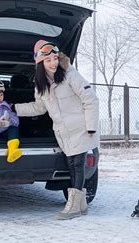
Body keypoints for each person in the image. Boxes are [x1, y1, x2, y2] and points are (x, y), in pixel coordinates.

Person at [14, 40, 99, 220]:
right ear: (40, 63)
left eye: (55, 58)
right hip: (63, 132)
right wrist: (15, 109)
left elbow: (90, 99)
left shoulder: (70, 75)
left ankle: (74, 206)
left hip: (82, 128)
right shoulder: (41, 85)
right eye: (48, 60)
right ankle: (81, 205)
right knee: (71, 165)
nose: (53, 63)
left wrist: (91, 126)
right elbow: (39, 108)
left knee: (77, 164)